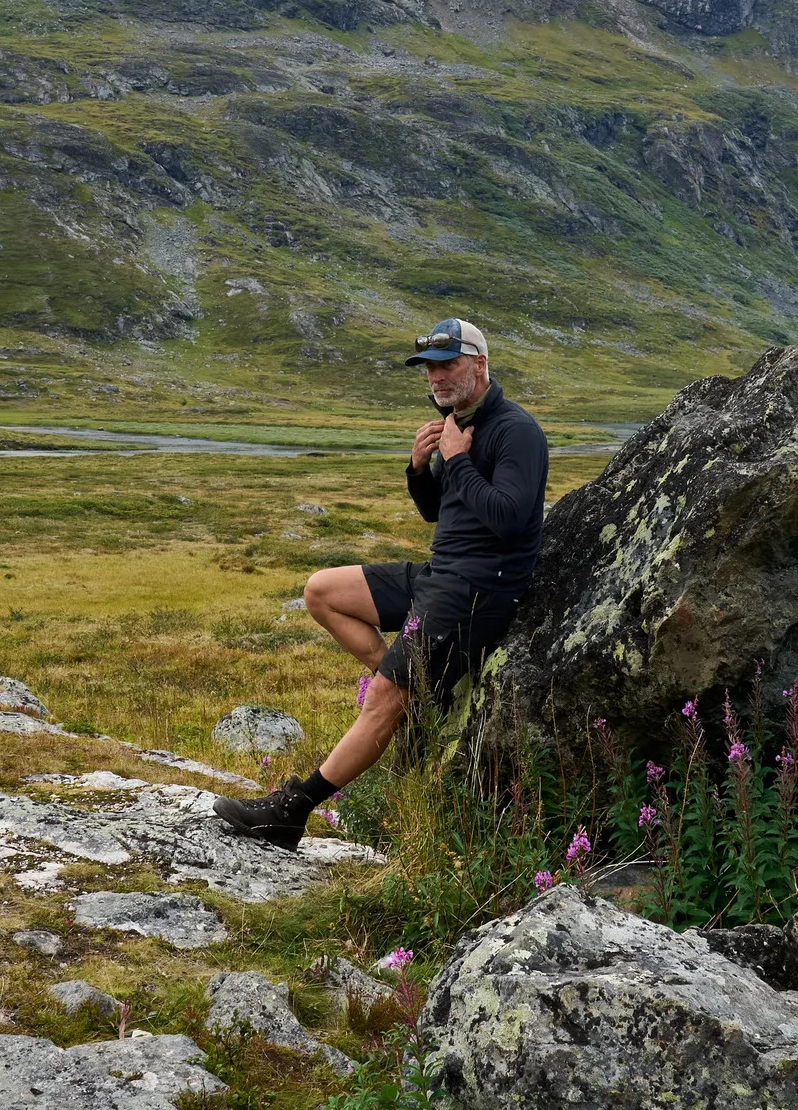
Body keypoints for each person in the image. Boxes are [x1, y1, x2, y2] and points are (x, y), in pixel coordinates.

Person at [214, 317, 549, 850]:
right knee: (321, 591)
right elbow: (439, 513)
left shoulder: (516, 431)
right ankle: (416, 695)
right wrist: (421, 468)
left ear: (479, 364)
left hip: (476, 592)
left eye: (448, 365)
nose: (436, 378)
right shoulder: (456, 425)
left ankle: (294, 809)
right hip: (438, 577)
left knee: (383, 698)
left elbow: (508, 519)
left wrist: (457, 460)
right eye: (429, 369)